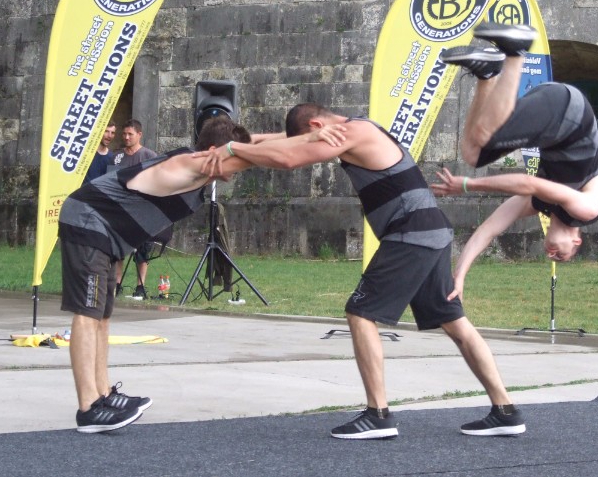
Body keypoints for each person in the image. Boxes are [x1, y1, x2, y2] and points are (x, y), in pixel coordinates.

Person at [199, 103, 525, 440]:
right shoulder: (352, 127)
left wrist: (233, 149)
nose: (316, 142)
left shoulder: (354, 132)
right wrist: (247, 140)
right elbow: (287, 140)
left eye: (314, 136)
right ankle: (506, 411)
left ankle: (378, 415)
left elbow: (289, 158)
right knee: (454, 322)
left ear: (317, 124)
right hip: (429, 231)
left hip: (411, 232)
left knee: (361, 312)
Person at [59, 116, 257, 433]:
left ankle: (103, 393)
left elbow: (257, 146)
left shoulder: (201, 173)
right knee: (87, 313)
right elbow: (263, 154)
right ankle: (88, 408)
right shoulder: (181, 167)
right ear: (213, 152)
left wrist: (305, 136)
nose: (239, 169)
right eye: (236, 159)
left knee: (103, 315)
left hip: (108, 231)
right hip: (87, 221)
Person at [437, 22, 598, 263]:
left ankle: (486, 73)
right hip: (570, 116)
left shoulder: (540, 204)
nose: (553, 255)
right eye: (562, 256)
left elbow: (489, 229)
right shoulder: (586, 210)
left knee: (473, 154)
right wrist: (468, 185)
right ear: (576, 241)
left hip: (554, 121)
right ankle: (516, 52)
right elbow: (528, 182)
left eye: (552, 257)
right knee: (485, 135)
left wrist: (460, 274)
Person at [110, 119, 160, 298]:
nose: (126, 137)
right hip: (120, 208)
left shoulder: (149, 156)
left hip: (142, 209)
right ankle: (117, 283)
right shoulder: (117, 157)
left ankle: (140, 285)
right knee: (118, 249)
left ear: (139, 135)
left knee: (142, 249)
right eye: (124, 134)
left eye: (130, 134)